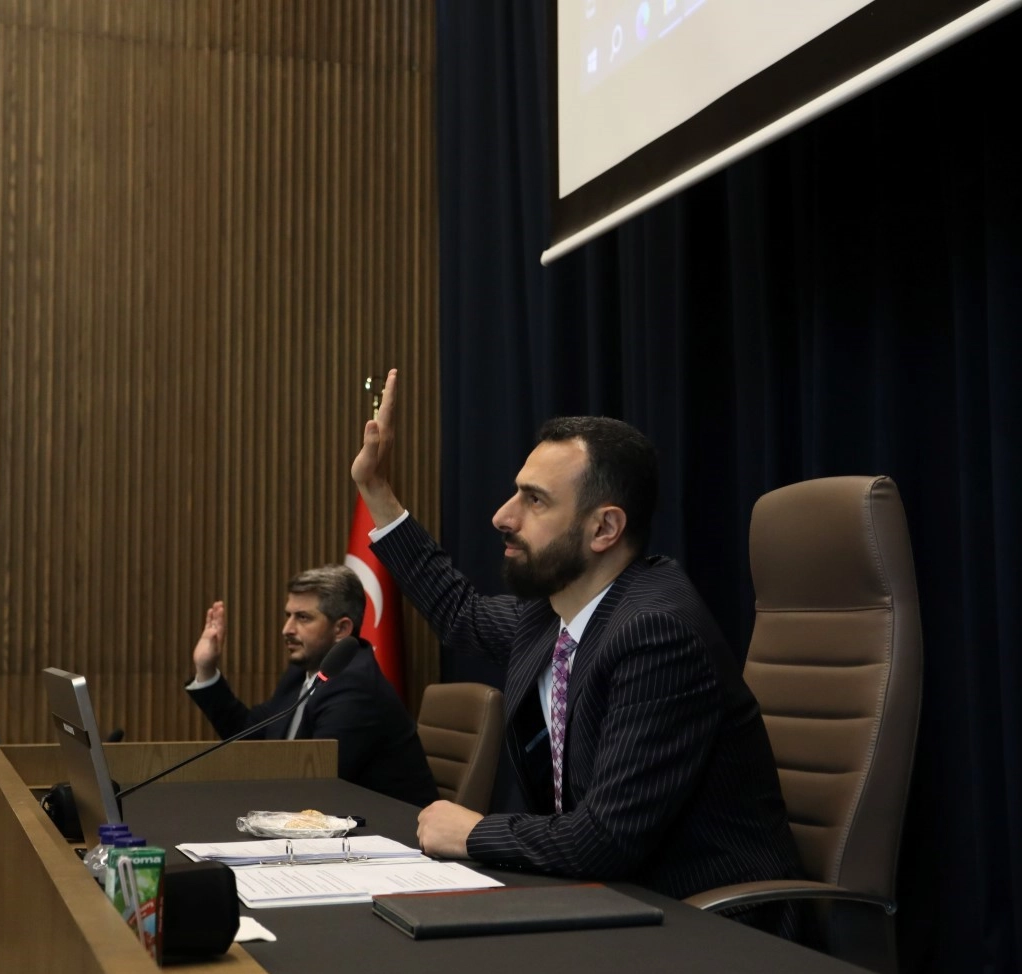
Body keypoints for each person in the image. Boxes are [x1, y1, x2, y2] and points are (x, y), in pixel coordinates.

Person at [350, 370, 803, 937]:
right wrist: (377, 490)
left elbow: (606, 839)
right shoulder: (555, 615)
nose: (502, 516)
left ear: (604, 528)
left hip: (708, 923)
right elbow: (460, 613)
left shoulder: (656, 632)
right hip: (607, 902)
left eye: (534, 500)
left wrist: (473, 832)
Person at [185, 564, 439, 807]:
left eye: (303, 618)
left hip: (388, 829)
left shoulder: (356, 688)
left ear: (341, 629)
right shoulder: (302, 672)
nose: (287, 629)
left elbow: (317, 780)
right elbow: (250, 734)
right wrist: (206, 669)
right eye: (288, 616)